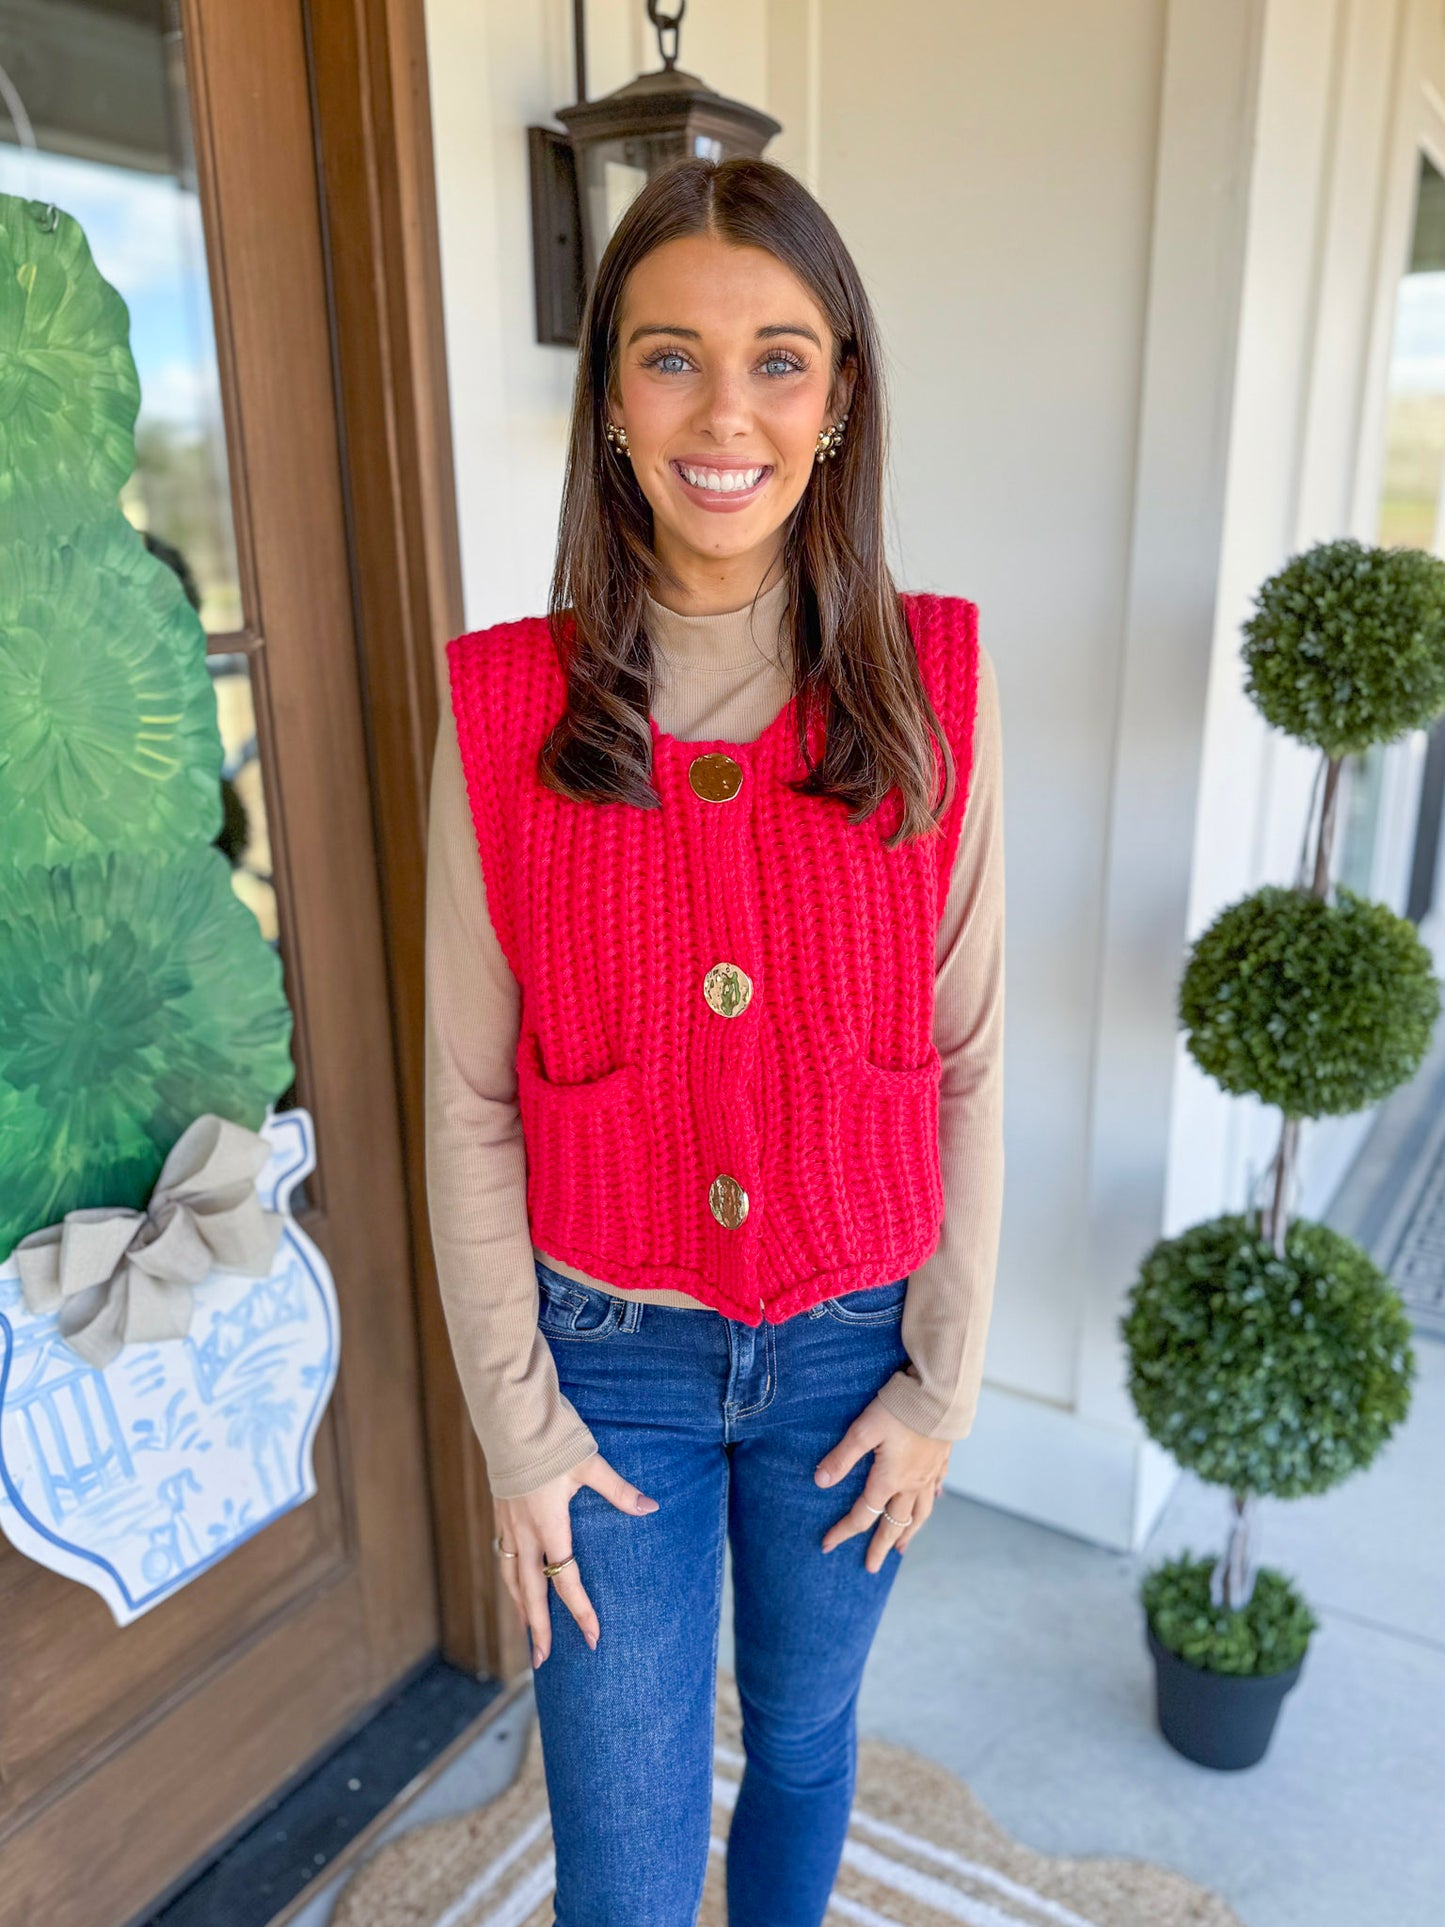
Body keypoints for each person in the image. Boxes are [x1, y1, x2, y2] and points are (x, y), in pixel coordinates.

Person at [423, 155, 1005, 1927]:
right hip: (608, 1378)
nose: (724, 409)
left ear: (838, 402)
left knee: (810, 1745)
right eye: (670, 357)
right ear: (608, 399)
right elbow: (463, 1100)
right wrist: (518, 1434)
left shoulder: (928, 684)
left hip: (850, 1368)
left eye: (779, 357)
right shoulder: (511, 704)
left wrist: (940, 1387)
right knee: (616, 1836)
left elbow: (967, 1059)